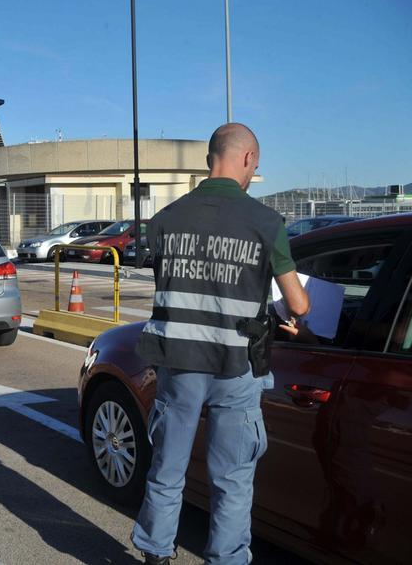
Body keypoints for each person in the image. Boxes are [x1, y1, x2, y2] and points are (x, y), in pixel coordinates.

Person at [132, 123, 310, 565]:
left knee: (168, 468)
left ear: (210, 157)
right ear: (247, 158)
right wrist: (285, 315)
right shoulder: (266, 223)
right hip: (236, 366)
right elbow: (299, 304)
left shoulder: (165, 219)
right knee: (231, 478)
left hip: (179, 364)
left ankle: (155, 553)